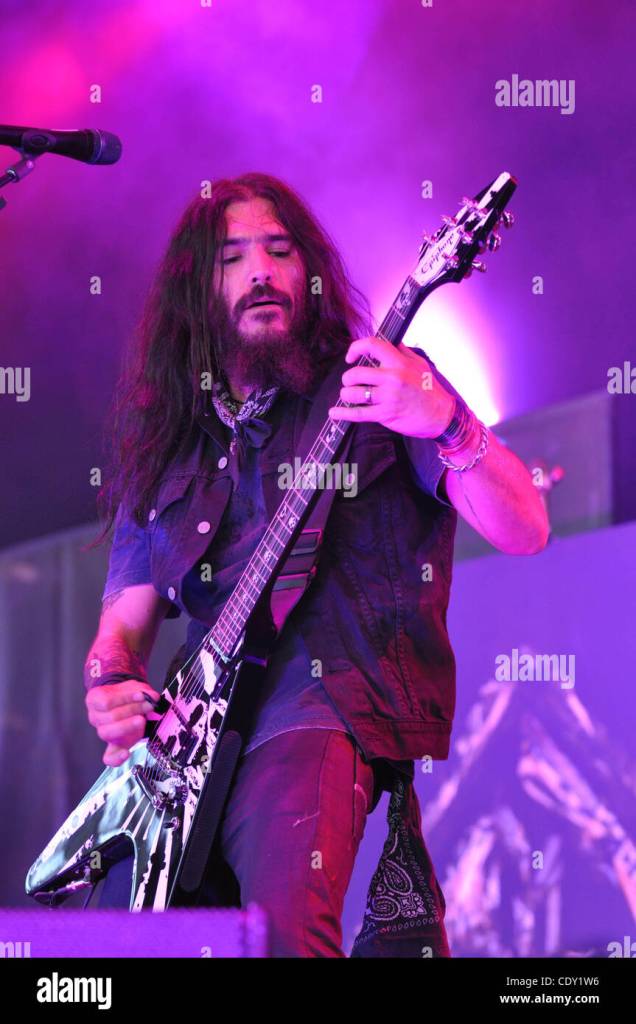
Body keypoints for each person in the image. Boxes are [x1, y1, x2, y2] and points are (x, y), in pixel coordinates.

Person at [83, 172, 549, 956]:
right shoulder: (167, 449)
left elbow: (527, 527)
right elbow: (118, 635)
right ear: (196, 289)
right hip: (186, 750)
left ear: (311, 272)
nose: (261, 271)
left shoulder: (381, 384)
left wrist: (446, 419)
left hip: (322, 704)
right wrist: (111, 690)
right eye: (233, 257)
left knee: (282, 937)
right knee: (121, 950)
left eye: (280, 250)